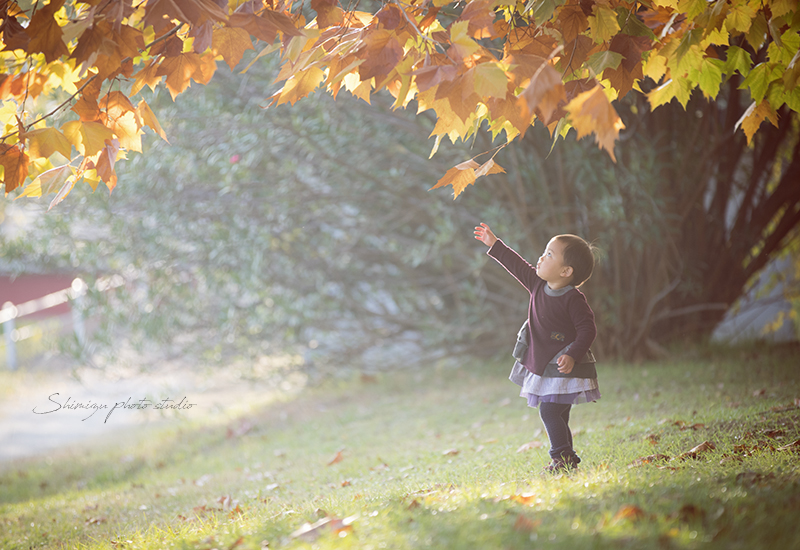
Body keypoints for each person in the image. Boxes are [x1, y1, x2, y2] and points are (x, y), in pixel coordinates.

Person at [474, 222, 600, 473]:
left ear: (566, 271)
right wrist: (494, 243)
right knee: (558, 413)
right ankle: (566, 459)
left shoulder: (573, 299)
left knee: (550, 411)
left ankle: (561, 458)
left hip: (564, 367)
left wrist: (573, 354)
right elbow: (517, 265)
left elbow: (588, 329)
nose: (542, 257)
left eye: (550, 254)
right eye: (545, 251)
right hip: (545, 365)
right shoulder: (536, 284)